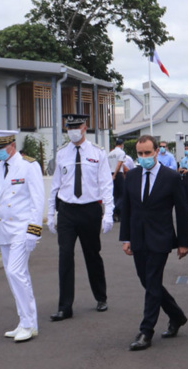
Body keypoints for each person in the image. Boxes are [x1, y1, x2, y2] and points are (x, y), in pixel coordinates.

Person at [120, 135, 188, 351]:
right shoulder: (131, 176)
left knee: (151, 280)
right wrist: (126, 238)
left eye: (147, 153)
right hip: (138, 238)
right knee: (147, 281)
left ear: (157, 152)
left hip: (161, 238)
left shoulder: (170, 177)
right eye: (140, 154)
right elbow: (127, 209)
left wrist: (183, 242)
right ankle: (176, 315)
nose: (143, 158)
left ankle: (146, 331)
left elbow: (182, 210)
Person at [47, 114, 114, 321]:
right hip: (67, 210)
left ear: (85, 127)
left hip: (89, 210)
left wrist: (109, 212)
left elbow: (105, 183)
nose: (73, 130)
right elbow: (55, 185)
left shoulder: (98, 153)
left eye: (77, 126)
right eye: (70, 127)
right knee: (65, 256)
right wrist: (51, 212)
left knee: (92, 255)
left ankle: (101, 297)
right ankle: (65, 306)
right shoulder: (62, 153)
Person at [0, 130, 44, 342]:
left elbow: (38, 199)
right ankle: (26, 321)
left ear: (11, 145)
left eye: (0, 148)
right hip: (4, 230)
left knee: (15, 272)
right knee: (16, 277)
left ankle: (28, 324)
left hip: (22, 229)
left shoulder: (29, 166)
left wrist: (34, 230)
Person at [108, 139, 127, 221]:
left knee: (115, 195)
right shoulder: (121, 152)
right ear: (122, 145)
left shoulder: (110, 153)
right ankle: (116, 210)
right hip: (118, 174)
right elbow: (119, 165)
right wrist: (115, 175)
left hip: (111, 173)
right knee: (123, 194)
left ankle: (116, 214)